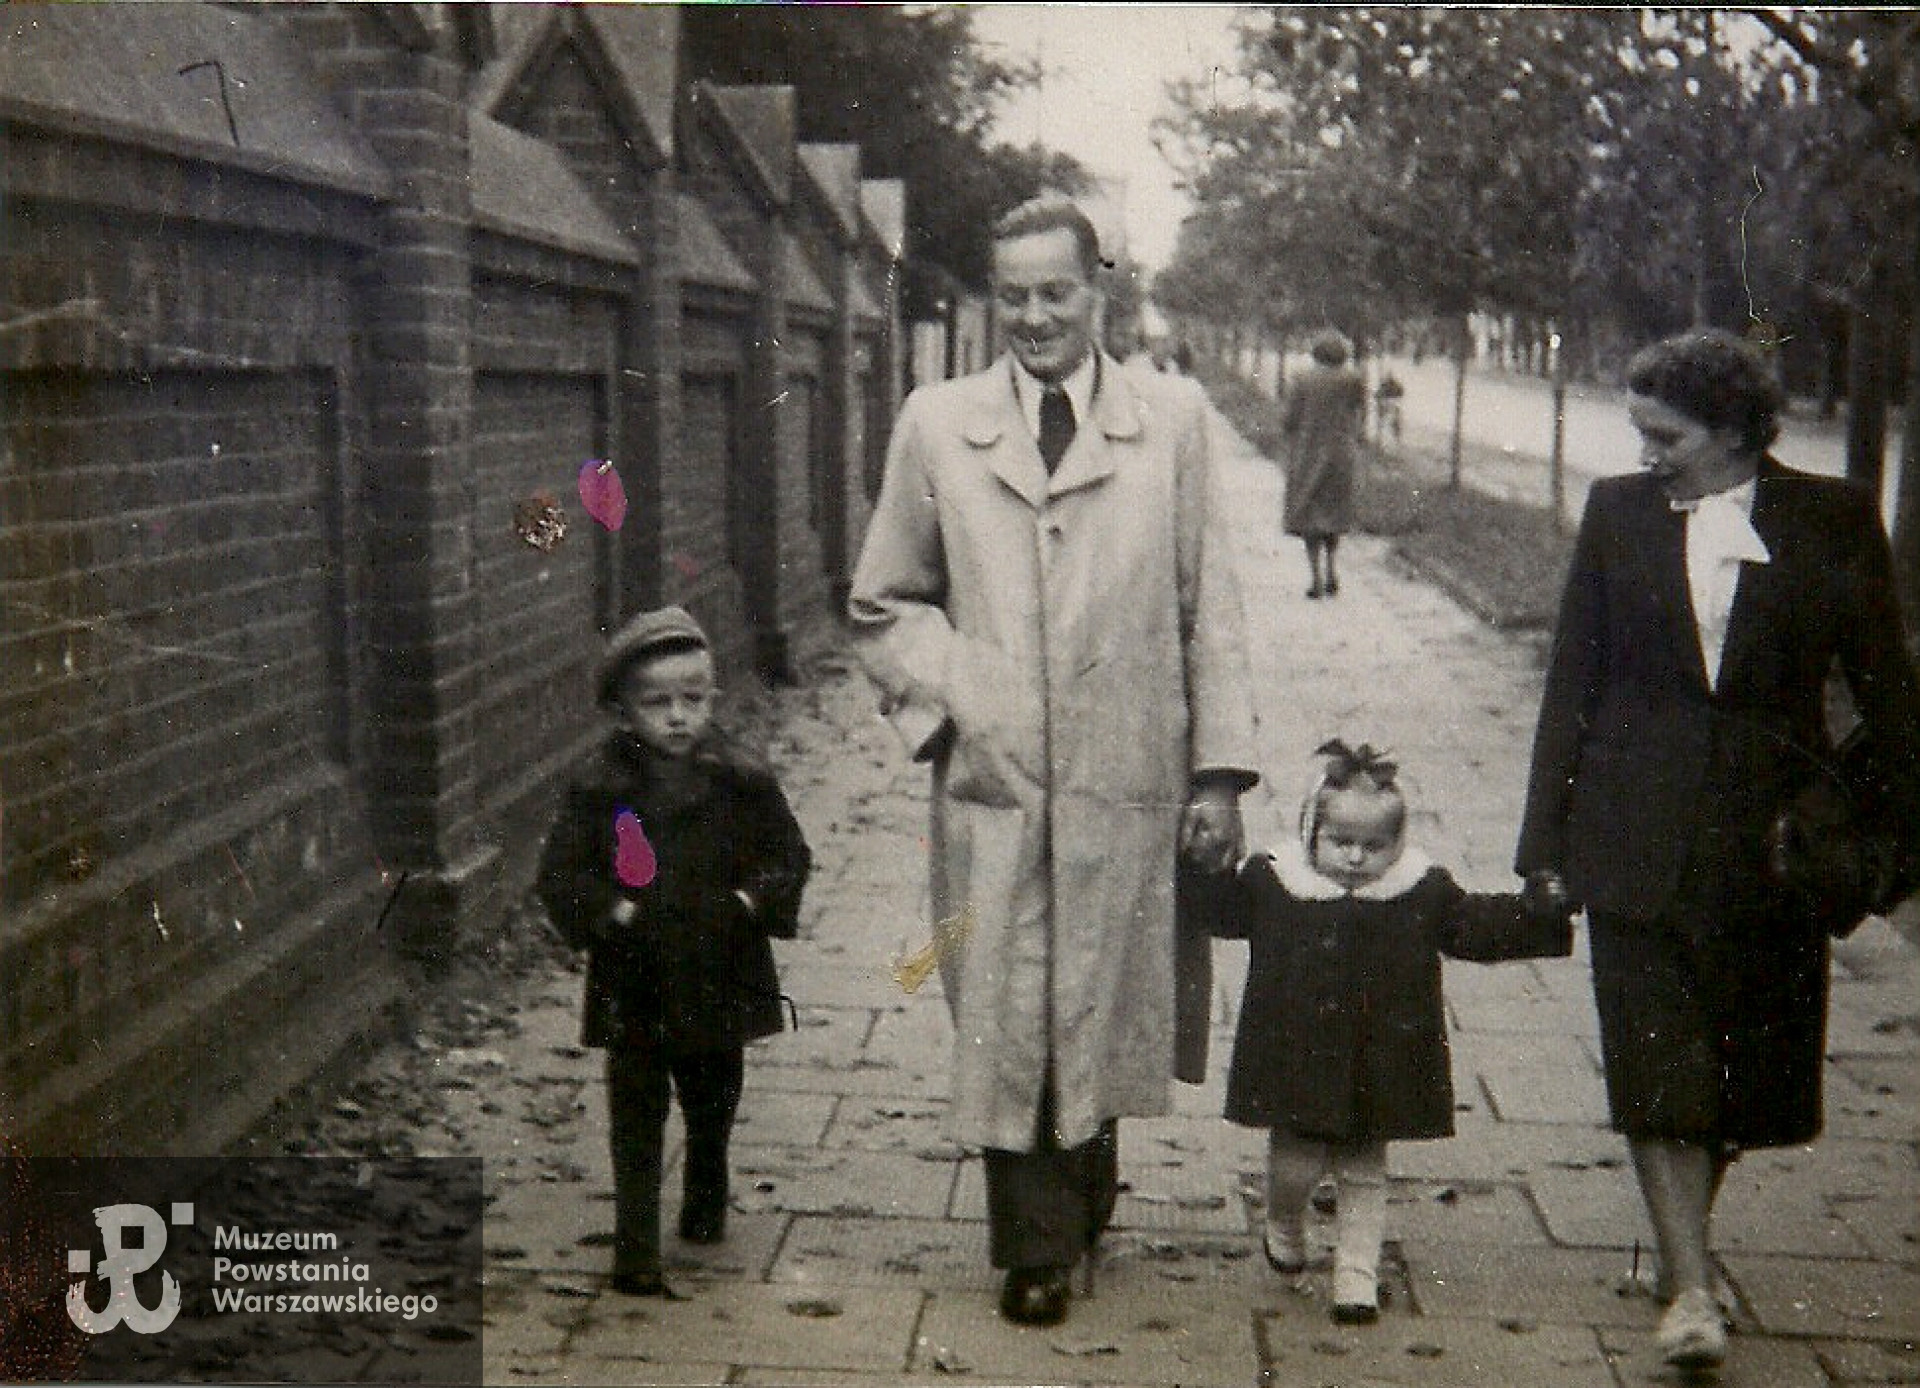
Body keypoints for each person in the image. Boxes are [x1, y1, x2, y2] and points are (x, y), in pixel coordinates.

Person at [847, 193, 1260, 1328]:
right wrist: (965, 696)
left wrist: (1219, 772)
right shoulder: (939, 420)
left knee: (1100, 985)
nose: (1034, 315)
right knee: (1012, 997)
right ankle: (1030, 1245)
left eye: (1056, 291)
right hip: (996, 778)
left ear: (1100, 290)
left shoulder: (1171, 420)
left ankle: (1083, 1186)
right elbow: (883, 602)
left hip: (1130, 769)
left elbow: (1205, 605)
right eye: (1014, 294)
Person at [1515, 329, 1920, 1371]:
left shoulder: (1831, 520)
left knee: (1739, 1080)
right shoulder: (1616, 511)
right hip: (1632, 822)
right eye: (1640, 429)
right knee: (1656, 1061)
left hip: (1768, 845)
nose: (1646, 450)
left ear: (1737, 430)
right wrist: (1543, 844)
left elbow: (1886, 692)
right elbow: (1574, 678)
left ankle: (1678, 1235)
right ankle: (1692, 1285)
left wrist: (1881, 837)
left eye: (1668, 434)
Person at [1216, 739, 1573, 1325]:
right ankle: (1284, 1221)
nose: (1356, 858)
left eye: (1374, 846)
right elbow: (1222, 911)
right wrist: (1202, 873)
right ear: (1310, 834)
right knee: (1296, 1164)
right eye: (1341, 842)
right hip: (1294, 1059)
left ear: (1398, 844)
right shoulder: (1274, 883)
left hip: (1376, 1062)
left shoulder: (1420, 891)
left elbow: (1475, 926)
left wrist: (1538, 914)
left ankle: (1356, 1273)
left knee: (1364, 1167)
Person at [536, 606, 812, 1297]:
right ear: (623, 712)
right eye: (657, 704)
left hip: (719, 960)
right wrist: (612, 910)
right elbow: (561, 874)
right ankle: (634, 1245)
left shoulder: (738, 779)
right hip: (636, 970)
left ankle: (707, 1176)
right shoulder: (603, 789)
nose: (678, 718)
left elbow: (787, 855)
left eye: (693, 700)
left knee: (713, 1090)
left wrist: (747, 903)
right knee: (635, 1105)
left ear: (713, 698)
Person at [1281, 328, 1367, 599]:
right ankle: (1332, 568)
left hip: (1310, 453)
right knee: (1334, 513)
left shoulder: (1302, 379)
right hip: (1341, 454)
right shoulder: (1353, 379)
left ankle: (1315, 577)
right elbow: (1360, 412)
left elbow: (1290, 419)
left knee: (1310, 516)